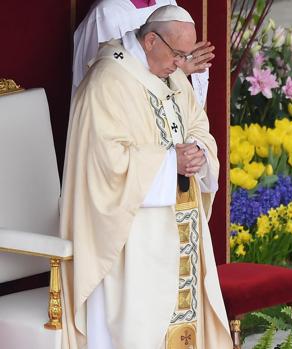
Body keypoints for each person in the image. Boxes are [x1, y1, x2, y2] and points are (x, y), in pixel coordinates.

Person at [60, 5, 232, 349]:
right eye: (178, 54)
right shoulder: (108, 81)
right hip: (131, 239)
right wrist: (170, 163)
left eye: (186, 55)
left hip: (180, 228)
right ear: (151, 40)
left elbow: (197, 123)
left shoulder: (170, 73)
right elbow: (103, 164)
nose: (182, 63)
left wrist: (198, 150)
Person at [72, 0, 213, 108]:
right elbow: (105, 86)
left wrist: (184, 57)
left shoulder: (166, 3)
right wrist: (179, 73)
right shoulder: (107, 14)